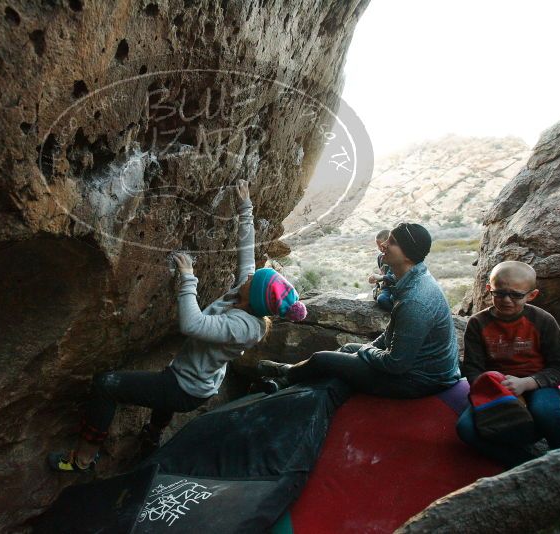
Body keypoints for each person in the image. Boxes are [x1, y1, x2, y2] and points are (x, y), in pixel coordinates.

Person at [48, 180, 307, 472]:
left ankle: (82, 459)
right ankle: (153, 435)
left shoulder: (244, 327)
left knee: (106, 386)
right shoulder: (246, 295)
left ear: (256, 298)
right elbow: (246, 253)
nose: (247, 276)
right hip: (194, 379)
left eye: (251, 280)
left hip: (186, 389)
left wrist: (188, 278)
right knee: (164, 395)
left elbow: (192, 324)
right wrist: (245, 207)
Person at [258, 222, 460, 398]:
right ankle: (286, 380)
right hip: (416, 368)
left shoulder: (416, 301)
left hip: (420, 380)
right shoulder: (412, 281)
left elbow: (396, 364)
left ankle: (287, 372)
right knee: (347, 350)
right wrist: (367, 349)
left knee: (323, 358)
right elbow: (392, 332)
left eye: (392, 242)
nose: (384, 245)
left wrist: (365, 350)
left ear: (408, 255)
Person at [456, 261, 560, 468]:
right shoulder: (477, 323)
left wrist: (526, 384)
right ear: (489, 289)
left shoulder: (542, 320)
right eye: (499, 293)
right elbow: (473, 368)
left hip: (536, 384)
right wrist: (493, 385)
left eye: (516, 295)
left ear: (532, 295)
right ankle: (525, 465)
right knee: (466, 429)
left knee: (545, 412)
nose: (506, 300)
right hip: (496, 389)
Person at [369, 229, 396, 311]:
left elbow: (396, 277)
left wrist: (380, 277)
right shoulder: (380, 257)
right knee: (381, 299)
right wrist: (376, 279)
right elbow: (382, 273)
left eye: (381, 245)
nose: (379, 248)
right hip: (386, 287)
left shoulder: (397, 257)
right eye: (378, 246)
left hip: (396, 286)